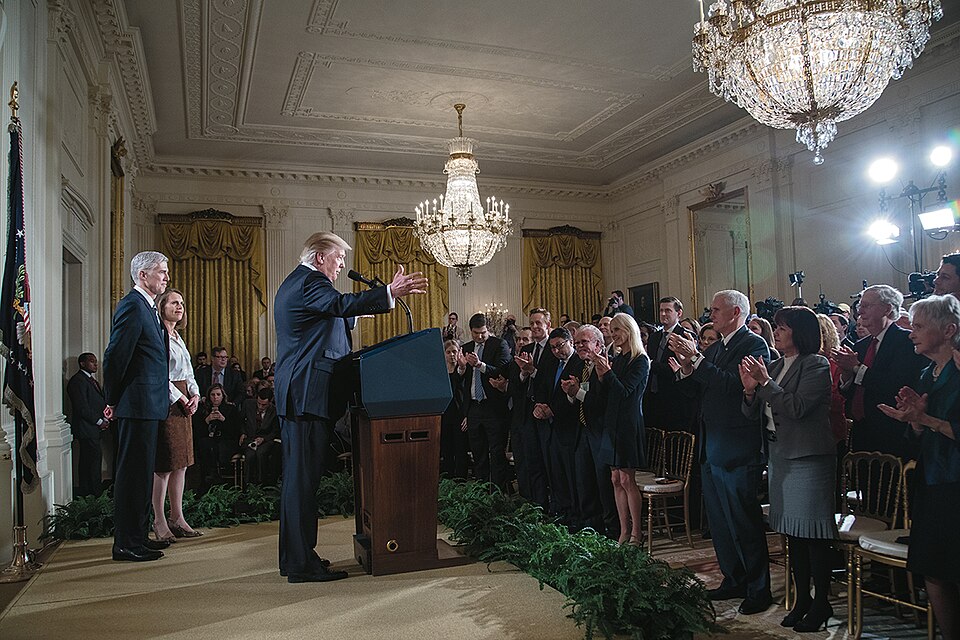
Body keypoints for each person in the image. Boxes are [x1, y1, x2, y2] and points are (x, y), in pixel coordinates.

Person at [274, 231, 426, 583]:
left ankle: (295, 558)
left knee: (299, 482)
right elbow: (339, 305)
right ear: (317, 258)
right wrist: (388, 293)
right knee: (301, 483)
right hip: (307, 393)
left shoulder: (301, 284)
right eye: (337, 259)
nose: (341, 266)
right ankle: (299, 564)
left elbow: (333, 316)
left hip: (303, 394)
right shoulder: (310, 281)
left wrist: (371, 304)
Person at [670, 289, 772, 615]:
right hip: (711, 443)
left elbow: (734, 386)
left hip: (738, 445)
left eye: (716, 310)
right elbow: (700, 388)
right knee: (720, 522)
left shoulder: (753, 345)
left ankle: (758, 588)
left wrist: (697, 360)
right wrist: (687, 366)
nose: (710, 315)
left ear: (735, 314)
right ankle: (733, 577)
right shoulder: (717, 347)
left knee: (744, 520)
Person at [740, 306, 837, 631]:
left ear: (801, 331)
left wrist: (765, 383)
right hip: (780, 456)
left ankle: (821, 601)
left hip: (809, 459)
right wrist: (750, 390)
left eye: (783, 327)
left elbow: (796, 408)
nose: (776, 333)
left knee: (814, 536)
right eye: (777, 327)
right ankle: (802, 600)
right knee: (793, 534)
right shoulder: (777, 364)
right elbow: (753, 413)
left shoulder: (817, 364)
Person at [878, 295, 960, 640]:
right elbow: (921, 436)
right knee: (933, 571)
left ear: (949, 330)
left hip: (955, 485)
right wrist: (913, 422)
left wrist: (923, 417)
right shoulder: (928, 373)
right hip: (931, 483)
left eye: (919, 326)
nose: (911, 333)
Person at [102, 251, 172, 562]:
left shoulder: (149, 308)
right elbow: (115, 356)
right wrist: (112, 400)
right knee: (132, 477)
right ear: (142, 276)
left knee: (143, 476)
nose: (166, 278)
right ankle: (126, 543)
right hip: (135, 405)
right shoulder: (132, 305)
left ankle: (138, 537)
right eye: (161, 272)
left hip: (149, 406)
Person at [832, 284, 928, 460]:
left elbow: (895, 385)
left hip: (891, 431)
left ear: (887, 309)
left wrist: (856, 367)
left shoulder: (905, 341)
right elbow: (853, 390)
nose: (860, 311)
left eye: (867, 305)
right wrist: (846, 374)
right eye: (860, 306)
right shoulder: (861, 345)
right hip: (862, 430)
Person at [151, 288, 202, 542]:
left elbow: (189, 372)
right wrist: (180, 397)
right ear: (161, 307)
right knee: (164, 465)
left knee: (181, 463)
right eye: (174, 302)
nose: (180, 306)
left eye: (182, 303)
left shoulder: (178, 337)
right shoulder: (158, 336)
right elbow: (159, 373)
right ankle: (159, 520)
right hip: (166, 401)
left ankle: (177, 517)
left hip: (183, 402)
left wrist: (194, 394)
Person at [597, 313, 649, 544]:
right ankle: (623, 530)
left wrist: (607, 374)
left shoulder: (640, 360)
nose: (613, 334)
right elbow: (609, 393)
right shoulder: (618, 359)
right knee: (615, 479)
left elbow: (625, 391)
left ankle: (636, 532)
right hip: (612, 422)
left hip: (628, 424)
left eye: (617, 330)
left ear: (629, 331)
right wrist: (601, 376)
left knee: (628, 480)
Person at [460, 312, 512, 491]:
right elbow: (463, 380)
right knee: (478, 453)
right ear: (470, 331)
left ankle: (498, 493)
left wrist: (479, 365)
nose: (480, 336)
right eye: (476, 333)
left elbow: (503, 370)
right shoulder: (466, 347)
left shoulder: (499, 344)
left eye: (483, 332)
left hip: (494, 408)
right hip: (474, 408)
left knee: (497, 453)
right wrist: (461, 367)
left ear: (488, 329)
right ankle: (481, 494)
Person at [66, 352, 108, 497]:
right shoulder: (78, 381)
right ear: (82, 363)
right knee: (90, 463)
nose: (95, 364)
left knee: (92, 462)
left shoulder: (91, 380)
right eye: (91, 361)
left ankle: (93, 492)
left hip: (94, 429)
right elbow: (82, 407)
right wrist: (99, 421)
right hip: (86, 428)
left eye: (96, 361)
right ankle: (92, 494)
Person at [194, 383, 242, 481]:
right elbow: (197, 431)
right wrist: (207, 421)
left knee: (218, 448)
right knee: (205, 445)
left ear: (223, 396)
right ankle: (207, 477)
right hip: (209, 440)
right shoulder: (203, 409)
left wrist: (223, 420)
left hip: (226, 440)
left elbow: (235, 430)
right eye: (213, 395)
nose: (215, 397)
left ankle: (218, 476)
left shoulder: (231, 409)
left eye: (218, 394)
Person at [440, 339, 469, 479]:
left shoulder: (463, 368)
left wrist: (467, 415)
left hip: (459, 416)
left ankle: (461, 482)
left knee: (460, 451)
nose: (452, 355)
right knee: (446, 451)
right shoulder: (440, 372)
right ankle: (448, 481)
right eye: (449, 352)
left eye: (455, 351)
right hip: (445, 416)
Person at [240, 387, 280, 485]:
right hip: (250, 438)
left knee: (261, 454)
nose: (260, 407)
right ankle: (248, 486)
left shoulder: (274, 410)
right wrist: (243, 433)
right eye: (258, 403)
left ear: (270, 402)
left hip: (265, 440)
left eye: (264, 405)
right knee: (249, 456)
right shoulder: (248, 404)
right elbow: (240, 421)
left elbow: (275, 431)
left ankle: (261, 484)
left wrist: (263, 439)